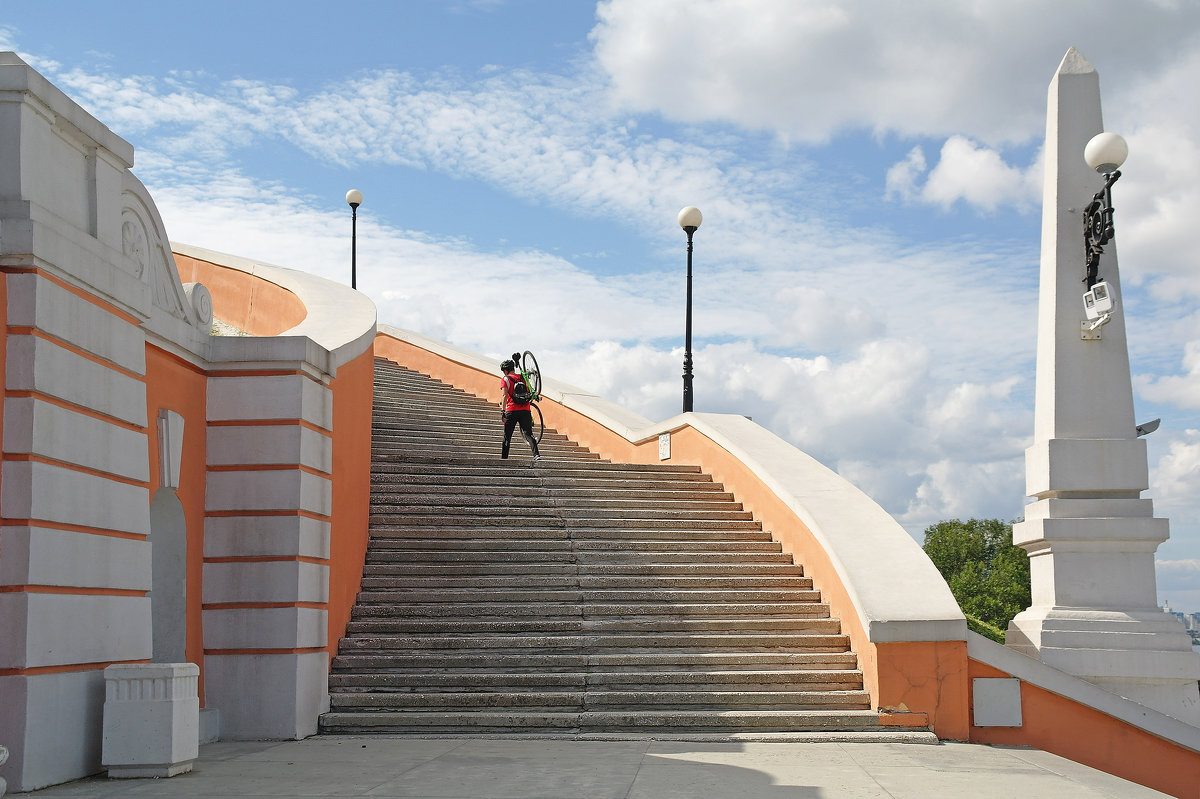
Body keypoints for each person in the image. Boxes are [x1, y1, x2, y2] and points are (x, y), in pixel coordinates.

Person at [499, 359, 540, 463]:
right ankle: (536, 455)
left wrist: (503, 411)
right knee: (528, 434)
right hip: (525, 410)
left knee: (507, 436)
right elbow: (530, 392)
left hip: (511, 410)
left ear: (506, 370)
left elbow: (504, 395)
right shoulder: (523, 377)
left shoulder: (505, 379)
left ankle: (504, 458)